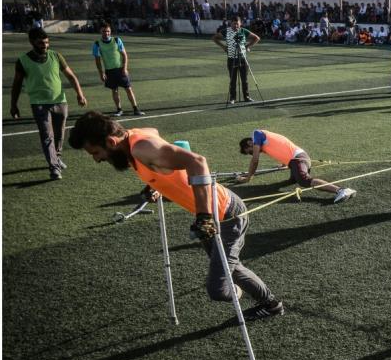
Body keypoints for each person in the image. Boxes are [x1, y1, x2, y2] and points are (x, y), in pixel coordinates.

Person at [68, 111, 284, 321]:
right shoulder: (134, 137)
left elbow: (197, 162)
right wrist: (155, 183)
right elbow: (153, 131)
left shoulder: (142, 148)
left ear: (111, 142)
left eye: (96, 153)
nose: (97, 159)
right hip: (211, 217)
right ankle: (271, 305)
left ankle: (242, 293)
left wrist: (204, 216)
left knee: (218, 288)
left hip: (225, 215)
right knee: (231, 268)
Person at [9, 27, 87, 180]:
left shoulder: (56, 56)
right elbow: (16, 85)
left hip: (60, 101)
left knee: (59, 135)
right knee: (47, 136)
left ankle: (56, 157)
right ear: (32, 42)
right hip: (39, 104)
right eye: (40, 43)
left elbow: (71, 76)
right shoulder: (23, 61)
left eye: (46, 42)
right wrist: (13, 104)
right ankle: (54, 167)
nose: (44, 45)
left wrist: (80, 94)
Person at [236, 130, 356, 204]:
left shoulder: (257, 134)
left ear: (250, 143)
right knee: (293, 180)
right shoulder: (263, 141)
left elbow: (255, 160)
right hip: (296, 160)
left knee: (304, 180)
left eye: (250, 151)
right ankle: (340, 190)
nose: (252, 153)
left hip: (298, 159)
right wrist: (284, 163)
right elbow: (280, 145)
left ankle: (341, 190)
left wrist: (248, 178)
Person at [92, 23, 144, 117]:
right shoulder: (97, 44)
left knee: (128, 89)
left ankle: (135, 109)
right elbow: (97, 60)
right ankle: (119, 110)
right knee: (114, 90)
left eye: (108, 31)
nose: (106, 33)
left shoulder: (116, 40)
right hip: (109, 71)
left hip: (120, 70)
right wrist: (101, 73)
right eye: (104, 31)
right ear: (100, 32)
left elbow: (124, 55)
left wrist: (124, 68)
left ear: (110, 31)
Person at [212, 16, 260, 104]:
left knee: (244, 80)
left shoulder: (243, 31)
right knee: (232, 79)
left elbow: (257, 38)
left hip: (242, 58)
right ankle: (232, 98)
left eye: (237, 24)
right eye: (234, 24)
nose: (236, 26)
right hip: (231, 58)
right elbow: (214, 38)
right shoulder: (226, 31)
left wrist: (247, 46)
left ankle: (246, 97)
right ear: (231, 24)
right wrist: (223, 47)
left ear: (240, 23)